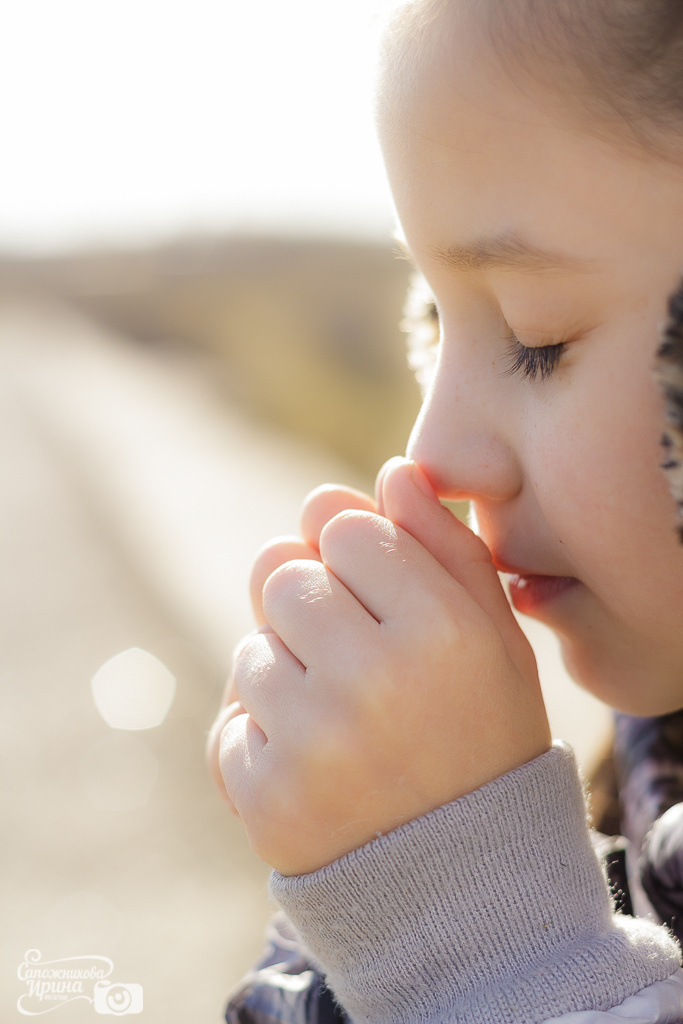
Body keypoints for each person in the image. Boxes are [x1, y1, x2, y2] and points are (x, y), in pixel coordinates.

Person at [206, 0, 683, 1019]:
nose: (429, 453)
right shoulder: (643, 765)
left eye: (536, 336)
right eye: (429, 317)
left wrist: (470, 933)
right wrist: (370, 879)